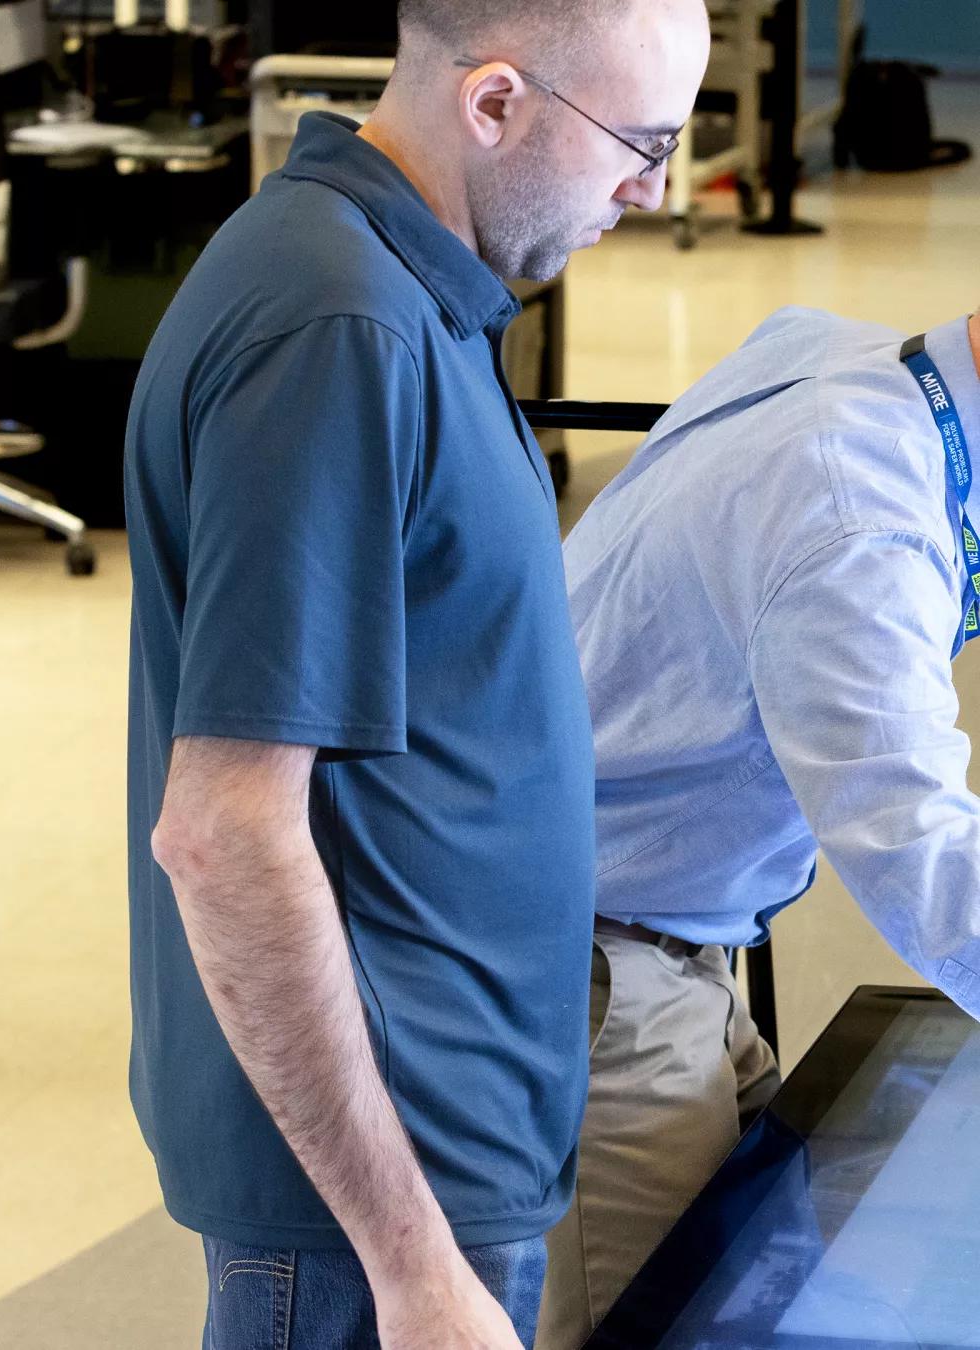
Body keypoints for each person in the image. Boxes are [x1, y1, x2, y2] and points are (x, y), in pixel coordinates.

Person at [123, 1, 710, 1347]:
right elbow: (225, 832)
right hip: (368, 1211)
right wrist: (410, 1262)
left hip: (438, 1154)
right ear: (494, 104)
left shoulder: (410, 290)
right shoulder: (340, 328)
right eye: (639, 141)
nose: (655, 189)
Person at [537, 304, 980, 1349]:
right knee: (658, 1324)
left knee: (766, 1266)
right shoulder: (858, 517)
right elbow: (913, 841)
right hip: (601, 969)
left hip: (660, 927)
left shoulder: (837, 357)